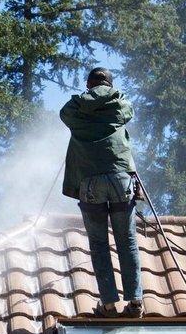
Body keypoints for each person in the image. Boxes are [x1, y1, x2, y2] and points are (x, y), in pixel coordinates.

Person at [60, 67, 143, 318]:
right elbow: (129, 109)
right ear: (110, 84)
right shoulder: (119, 106)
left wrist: (86, 97)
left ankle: (108, 304)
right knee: (126, 240)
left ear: (88, 85)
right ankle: (136, 302)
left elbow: (64, 113)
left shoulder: (76, 110)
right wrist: (111, 95)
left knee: (98, 244)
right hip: (120, 179)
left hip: (91, 183)